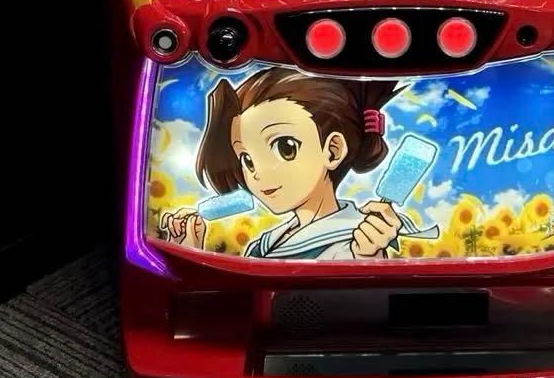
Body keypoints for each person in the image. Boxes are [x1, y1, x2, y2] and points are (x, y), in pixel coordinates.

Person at [159, 67, 406, 260]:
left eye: (285, 147)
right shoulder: (263, 244)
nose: (258, 173)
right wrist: (190, 249)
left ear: (332, 151)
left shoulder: (354, 241)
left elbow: (355, 301)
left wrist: (369, 257)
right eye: (247, 159)